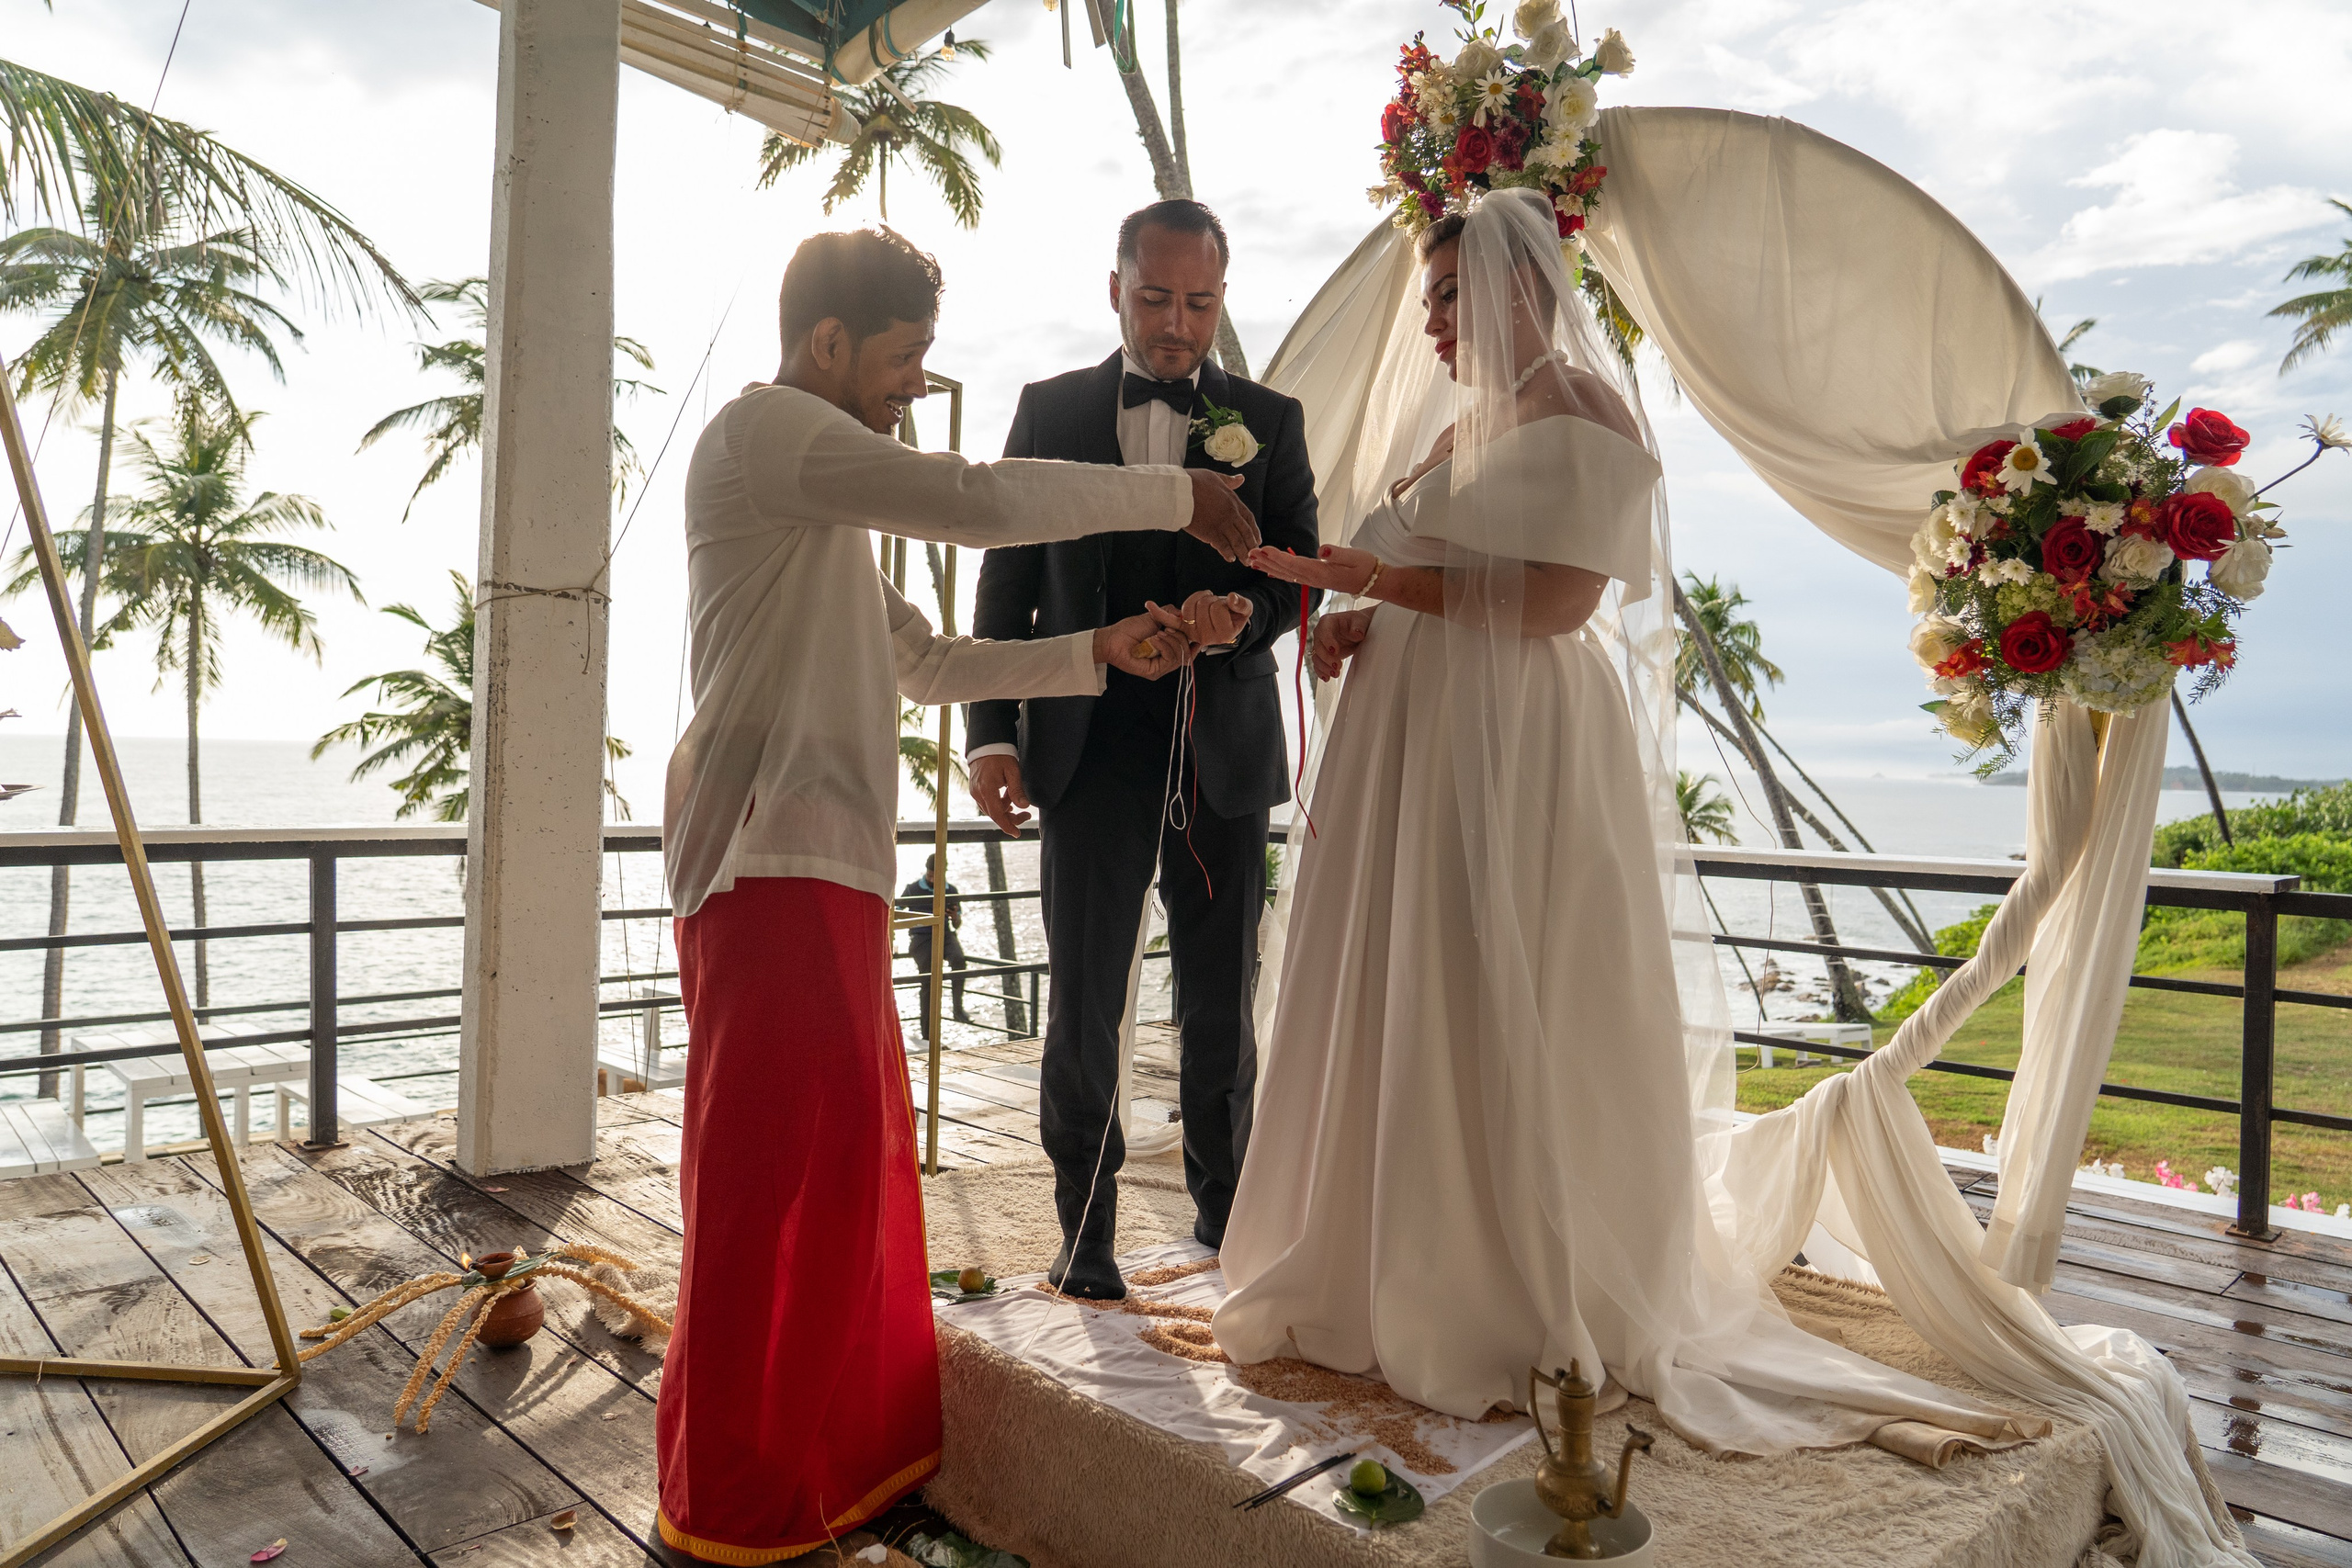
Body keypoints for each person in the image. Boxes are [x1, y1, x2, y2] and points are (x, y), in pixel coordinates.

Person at [1212, 190, 2036, 1455]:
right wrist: (1360, 619)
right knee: (1408, 974)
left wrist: (1377, 578)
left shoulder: (1584, 412)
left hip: (1518, 739)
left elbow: (1559, 597)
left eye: (1447, 297)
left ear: (1523, 290)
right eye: (1429, 299)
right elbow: (1433, 575)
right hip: (1414, 742)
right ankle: (1378, 1257)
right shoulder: (1456, 430)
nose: (1431, 323)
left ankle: (1506, 1278)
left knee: (1509, 979)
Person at [657, 225, 1258, 1566]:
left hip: (827, 864)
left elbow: (926, 659)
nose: (914, 386)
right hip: (766, 857)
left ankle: (830, 1467)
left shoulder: (809, 501)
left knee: (840, 1181)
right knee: (766, 1186)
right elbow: (980, 499)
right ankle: (730, 1506)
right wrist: (1176, 503)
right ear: (825, 347)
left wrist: (1102, 650)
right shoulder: (768, 438)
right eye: (901, 359)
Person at [966, 199, 1321, 1302]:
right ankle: (1085, 1238)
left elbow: (1295, 568)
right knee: (1084, 999)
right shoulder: (1050, 407)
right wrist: (987, 737)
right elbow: (1005, 579)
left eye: (1200, 303)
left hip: (1222, 746)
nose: (1178, 325)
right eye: (1157, 298)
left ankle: (1228, 1223)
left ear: (1222, 296)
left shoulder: (1270, 417)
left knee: (1222, 998)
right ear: (1114, 288)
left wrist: (1242, 617)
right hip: (1086, 745)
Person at [898, 853, 968, 1034]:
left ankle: (958, 1008)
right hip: (921, 937)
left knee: (959, 960)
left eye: (935, 875)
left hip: (945, 934)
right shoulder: (912, 889)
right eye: (929, 874)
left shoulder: (951, 890)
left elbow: (957, 924)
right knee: (929, 979)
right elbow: (896, 911)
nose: (931, 878)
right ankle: (927, 1032)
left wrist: (955, 917)